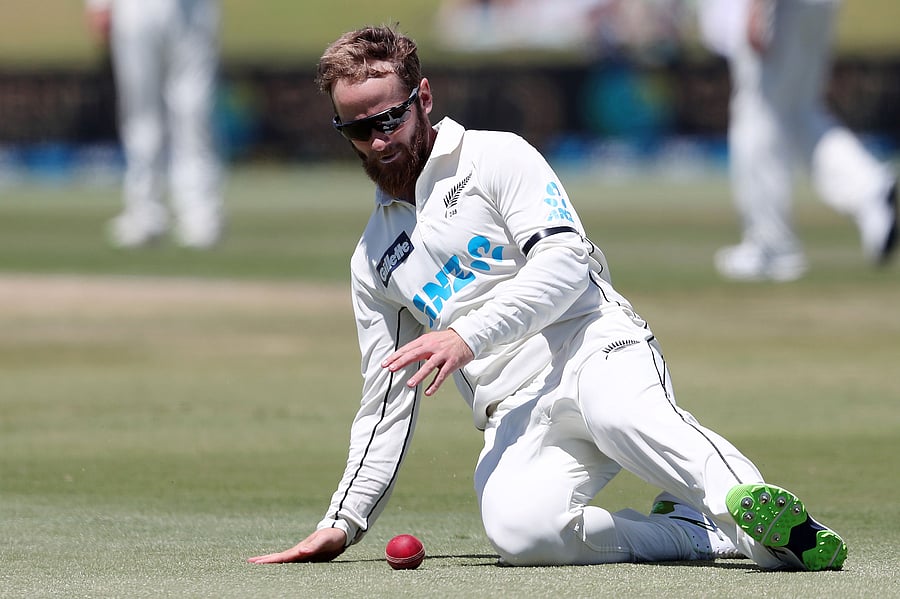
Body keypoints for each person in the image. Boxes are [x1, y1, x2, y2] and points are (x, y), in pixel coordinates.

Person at [248, 25, 847, 570]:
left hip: (591, 345)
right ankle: (693, 533)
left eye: (387, 121)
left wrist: (467, 335)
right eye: (356, 129)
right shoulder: (373, 258)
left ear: (422, 99)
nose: (377, 143)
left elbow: (565, 264)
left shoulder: (496, 157)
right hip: (513, 409)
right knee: (521, 533)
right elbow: (384, 399)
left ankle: (761, 521)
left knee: (625, 413)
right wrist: (342, 523)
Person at [697, 0, 897, 281]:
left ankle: (772, 246)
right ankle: (868, 187)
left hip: (781, 8)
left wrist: (757, 8)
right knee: (798, 112)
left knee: (758, 115)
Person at [85, 0, 224, 248]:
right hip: (135, 8)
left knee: (194, 110)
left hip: (194, 8)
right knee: (140, 112)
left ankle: (200, 212)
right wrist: (99, 5)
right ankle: (145, 210)